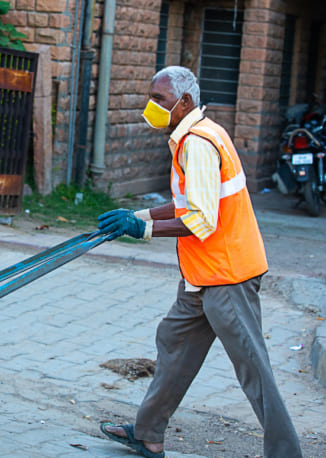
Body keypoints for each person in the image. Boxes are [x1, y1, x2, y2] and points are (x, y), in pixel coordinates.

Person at [96, 66, 303, 458]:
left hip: (227, 277)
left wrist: (141, 232)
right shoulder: (194, 135)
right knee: (173, 343)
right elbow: (188, 203)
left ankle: (285, 453)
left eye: (160, 99)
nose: (152, 106)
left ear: (185, 102)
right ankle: (148, 433)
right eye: (152, 97)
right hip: (202, 274)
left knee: (253, 371)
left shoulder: (198, 143)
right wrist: (139, 215)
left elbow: (201, 220)